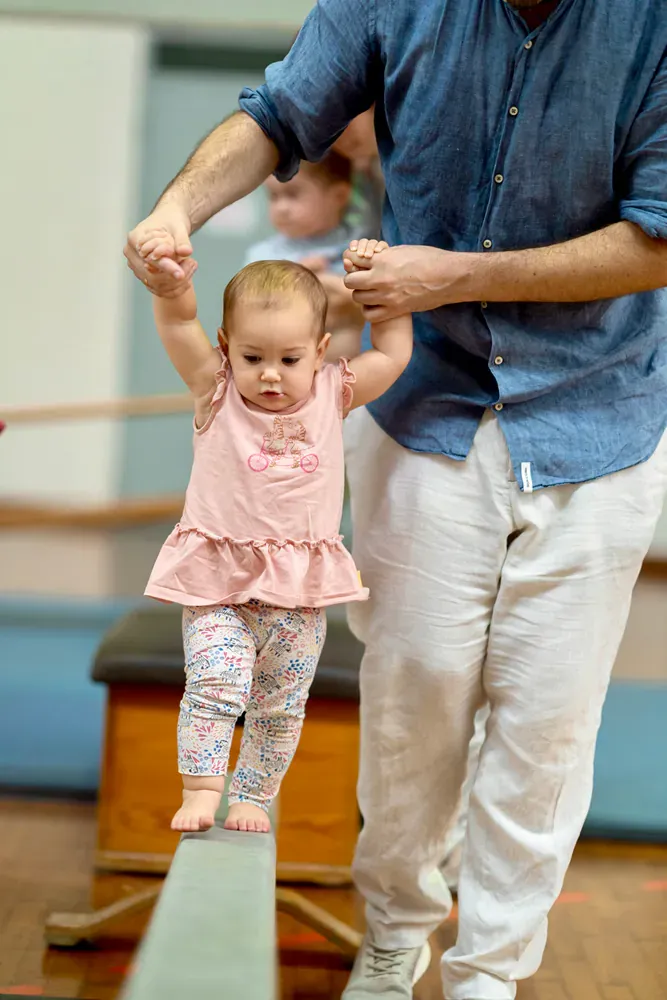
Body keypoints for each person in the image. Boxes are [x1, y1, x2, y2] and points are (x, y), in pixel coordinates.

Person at [124, 0, 667, 995]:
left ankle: (489, 972)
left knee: (545, 719)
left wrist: (448, 277)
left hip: (600, 408)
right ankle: (395, 932)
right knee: (414, 690)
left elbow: (660, 235)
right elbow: (280, 112)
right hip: (428, 408)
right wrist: (177, 212)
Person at [143, 244, 412, 836]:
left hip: (299, 594)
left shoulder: (332, 392)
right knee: (218, 678)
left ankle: (252, 796)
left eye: (290, 359)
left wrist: (379, 286)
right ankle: (202, 786)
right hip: (220, 583)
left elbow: (393, 355)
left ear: (319, 351)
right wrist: (170, 287)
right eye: (252, 356)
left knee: (280, 706)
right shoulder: (214, 389)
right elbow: (177, 323)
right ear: (225, 348)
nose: (270, 373)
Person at [245, 151, 364, 358]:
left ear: (339, 196)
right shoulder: (263, 256)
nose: (281, 208)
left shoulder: (361, 246)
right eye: (273, 196)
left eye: (293, 194)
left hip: (354, 372)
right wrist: (293, 278)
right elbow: (247, 310)